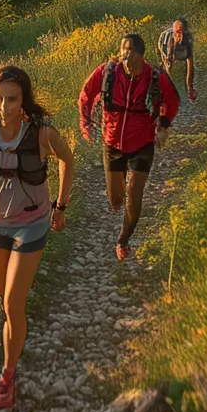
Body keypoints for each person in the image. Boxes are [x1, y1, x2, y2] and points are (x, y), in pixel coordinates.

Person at [0, 63, 76, 410]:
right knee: (4, 301)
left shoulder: (41, 133)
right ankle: (15, 336)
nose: (5, 106)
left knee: (12, 304)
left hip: (32, 224)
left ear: (24, 99)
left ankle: (7, 375)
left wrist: (60, 207)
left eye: (12, 99)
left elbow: (67, 160)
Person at [78, 30, 182, 263]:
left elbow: (172, 101)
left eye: (129, 50)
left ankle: (123, 240)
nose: (124, 54)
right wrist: (86, 124)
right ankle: (118, 201)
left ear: (141, 55)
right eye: (122, 49)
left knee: (135, 190)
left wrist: (163, 125)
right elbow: (86, 94)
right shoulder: (108, 72)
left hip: (143, 142)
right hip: (112, 142)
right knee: (116, 198)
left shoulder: (155, 77)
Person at [158, 15, 197, 103]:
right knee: (167, 64)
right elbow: (168, 66)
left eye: (180, 33)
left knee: (189, 61)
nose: (178, 36)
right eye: (176, 32)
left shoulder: (188, 38)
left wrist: (190, 86)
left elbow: (190, 63)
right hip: (164, 44)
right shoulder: (168, 37)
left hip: (180, 48)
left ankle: (189, 89)